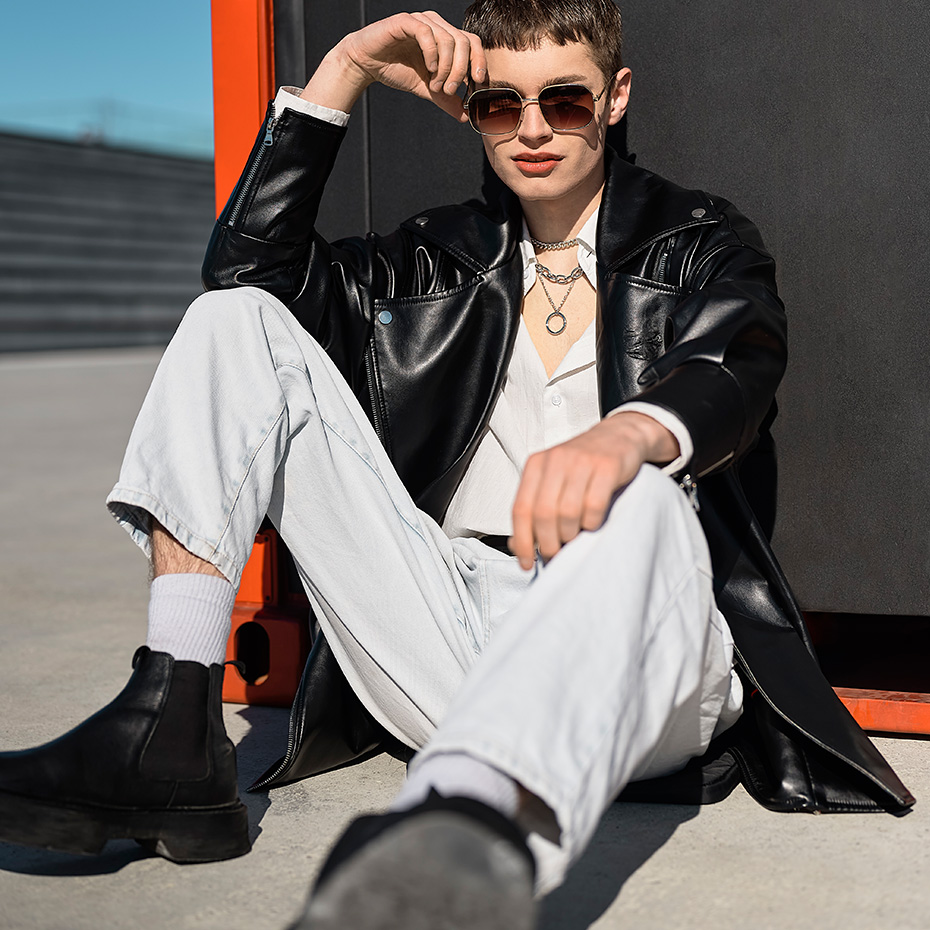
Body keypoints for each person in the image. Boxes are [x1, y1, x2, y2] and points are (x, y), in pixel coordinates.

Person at [0, 2, 914, 928]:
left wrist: (632, 433)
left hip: (645, 649)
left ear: (614, 98)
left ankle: (455, 846)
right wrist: (344, 72)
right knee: (231, 317)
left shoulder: (700, 240)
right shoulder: (433, 257)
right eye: (499, 105)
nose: (531, 130)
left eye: (564, 101)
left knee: (642, 498)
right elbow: (247, 275)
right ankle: (172, 721)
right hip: (453, 629)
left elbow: (739, 359)